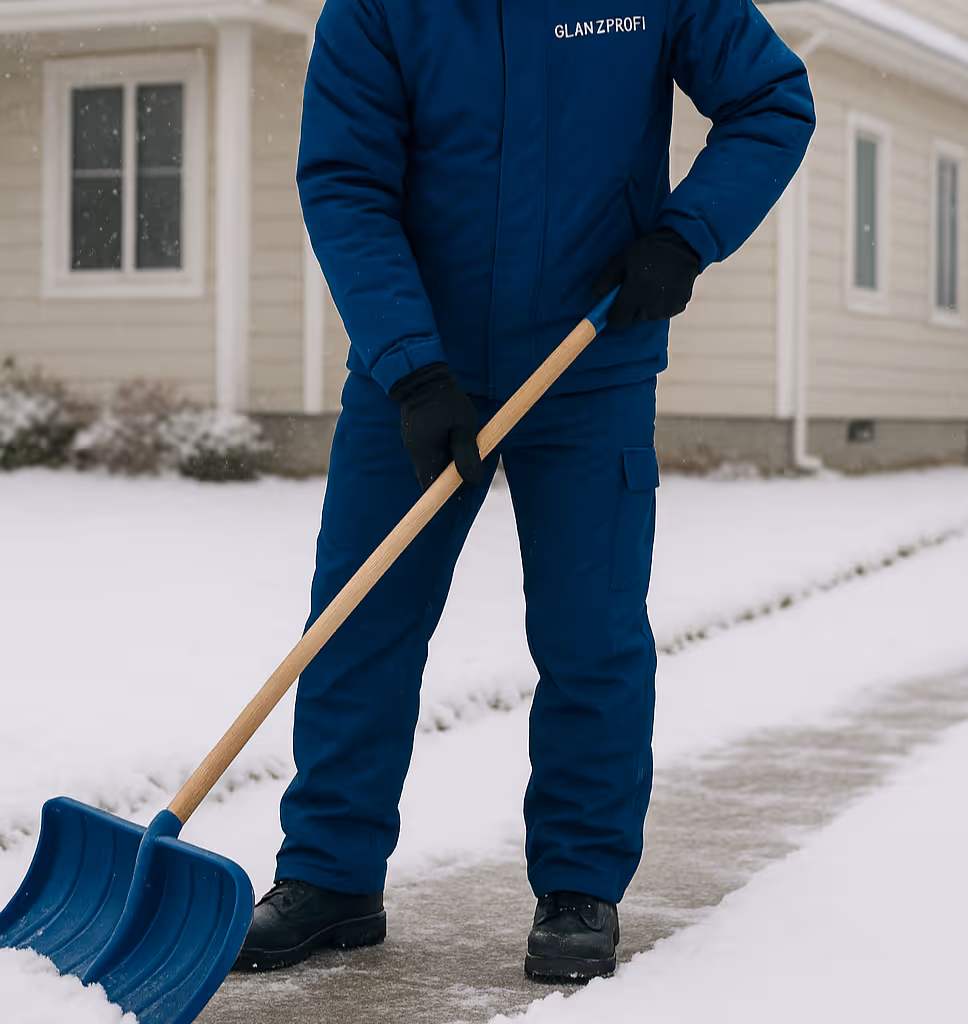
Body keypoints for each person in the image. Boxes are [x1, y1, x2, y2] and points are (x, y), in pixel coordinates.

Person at [234, 0, 814, 981]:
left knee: (591, 632)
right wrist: (414, 367)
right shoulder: (378, 9)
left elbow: (769, 98)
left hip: (590, 360)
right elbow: (346, 182)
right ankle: (330, 875)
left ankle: (579, 885)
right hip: (412, 375)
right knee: (359, 619)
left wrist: (685, 233)